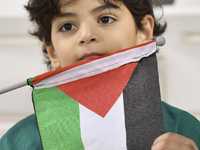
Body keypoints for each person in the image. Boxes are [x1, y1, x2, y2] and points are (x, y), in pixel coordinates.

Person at [0, 0, 200, 149]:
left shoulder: (184, 130)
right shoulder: (16, 142)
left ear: (144, 31)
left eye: (105, 19)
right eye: (67, 26)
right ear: (52, 51)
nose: (86, 35)